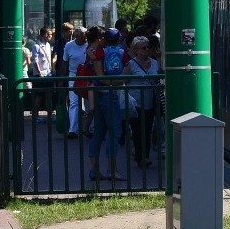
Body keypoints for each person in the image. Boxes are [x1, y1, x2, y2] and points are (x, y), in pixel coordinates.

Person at [88, 27, 129, 181]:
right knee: (114, 133)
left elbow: (95, 65)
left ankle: (94, 170)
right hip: (113, 95)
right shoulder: (121, 53)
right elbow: (127, 70)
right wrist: (119, 81)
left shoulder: (101, 52)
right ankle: (112, 170)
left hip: (100, 93)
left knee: (98, 133)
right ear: (119, 39)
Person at [124, 36, 160, 168]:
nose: (147, 49)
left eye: (148, 47)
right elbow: (124, 79)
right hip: (135, 103)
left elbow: (161, 76)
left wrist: (160, 58)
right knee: (138, 131)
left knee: (147, 131)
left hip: (150, 102)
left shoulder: (155, 63)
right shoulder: (131, 64)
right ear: (136, 50)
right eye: (143, 47)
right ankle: (141, 158)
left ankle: (144, 156)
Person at [62, 26, 88, 139]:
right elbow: (64, 62)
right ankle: (72, 129)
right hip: (74, 75)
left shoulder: (89, 44)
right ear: (77, 37)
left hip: (88, 75)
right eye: (82, 37)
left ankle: (89, 128)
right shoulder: (69, 46)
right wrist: (63, 79)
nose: (85, 39)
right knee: (74, 102)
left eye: (85, 37)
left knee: (88, 103)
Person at [30, 26, 54, 123]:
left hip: (48, 74)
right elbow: (35, 61)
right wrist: (39, 73)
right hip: (40, 75)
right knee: (39, 96)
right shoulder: (36, 46)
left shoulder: (48, 45)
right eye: (49, 34)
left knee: (49, 95)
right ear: (45, 34)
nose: (51, 36)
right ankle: (35, 116)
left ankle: (50, 115)